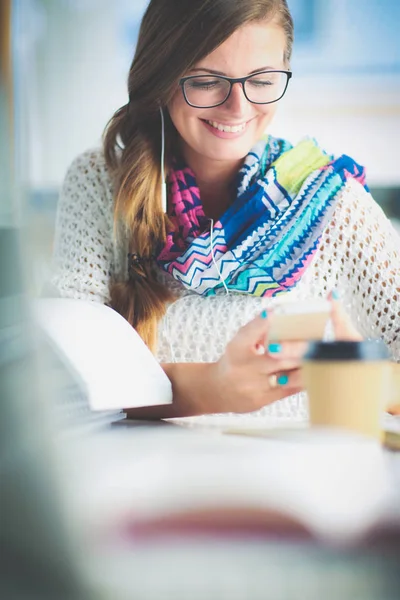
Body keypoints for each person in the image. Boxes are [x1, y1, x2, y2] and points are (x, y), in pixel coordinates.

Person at [49, 0, 400, 421]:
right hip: (144, 483)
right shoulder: (99, 182)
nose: (238, 107)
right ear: (162, 76)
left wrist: (367, 377)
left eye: (263, 79)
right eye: (208, 81)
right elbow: (63, 375)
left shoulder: (331, 201)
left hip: (295, 481)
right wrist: (214, 387)